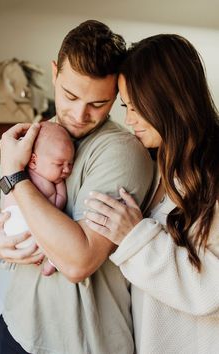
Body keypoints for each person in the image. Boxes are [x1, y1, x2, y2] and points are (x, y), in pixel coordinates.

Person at [0, 20, 154, 354]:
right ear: (54, 73)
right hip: (17, 323)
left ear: (115, 96)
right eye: (70, 95)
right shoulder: (33, 138)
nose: (79, 114)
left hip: (76, 342)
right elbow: (15, 215)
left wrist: (13, 174)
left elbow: (78, 262)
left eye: (98, 104)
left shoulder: (121, 151)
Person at [84, 34, 219, 354]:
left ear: (167, 98)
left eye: (135, 106)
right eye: (125, 106)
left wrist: (136, 238)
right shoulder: (155, 165)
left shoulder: (212, 178)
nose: (129, 119)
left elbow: (212, 291)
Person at [3, 120, 75, 276]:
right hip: (22, 226)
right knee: (63, 236)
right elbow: (59, 203)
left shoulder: (23, 173)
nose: (67, 169)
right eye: (59, 164)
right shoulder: (30, 178)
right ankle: (51, 262)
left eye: (70, 163)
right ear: (33, 161)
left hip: (16, 234)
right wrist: (60, 185)